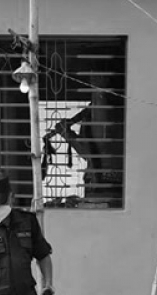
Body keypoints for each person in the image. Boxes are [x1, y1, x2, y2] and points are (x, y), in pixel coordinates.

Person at [51, 74, 125, 207]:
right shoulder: (119, 113)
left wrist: (66, 133)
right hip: (110, 187)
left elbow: (91, 150)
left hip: (101, 188)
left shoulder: (104, 111)